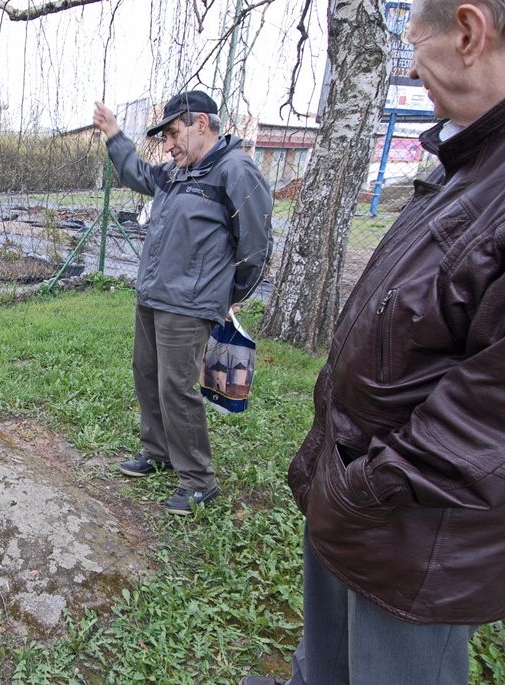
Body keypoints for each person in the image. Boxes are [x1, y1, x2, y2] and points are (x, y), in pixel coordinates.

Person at [241, 1, 505, 683]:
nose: (411, 65)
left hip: (414, 537)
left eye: (414, 45)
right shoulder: (469, 161)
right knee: (324, 662)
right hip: (361, 501)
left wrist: (363, 484)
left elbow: (488, 419)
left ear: (470, 33)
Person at [91, 91, 272, 514]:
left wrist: (228, 295)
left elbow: (256, 245)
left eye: (174, 134)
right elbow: (137, 173)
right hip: (154, 295)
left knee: (176, 386)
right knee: (148, 375)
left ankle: (198, 479)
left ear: (201, 125)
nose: (169, 145)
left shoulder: (235, 169)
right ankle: (158, 452)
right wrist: (115, 135)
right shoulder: (177, 173)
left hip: (190, 305)